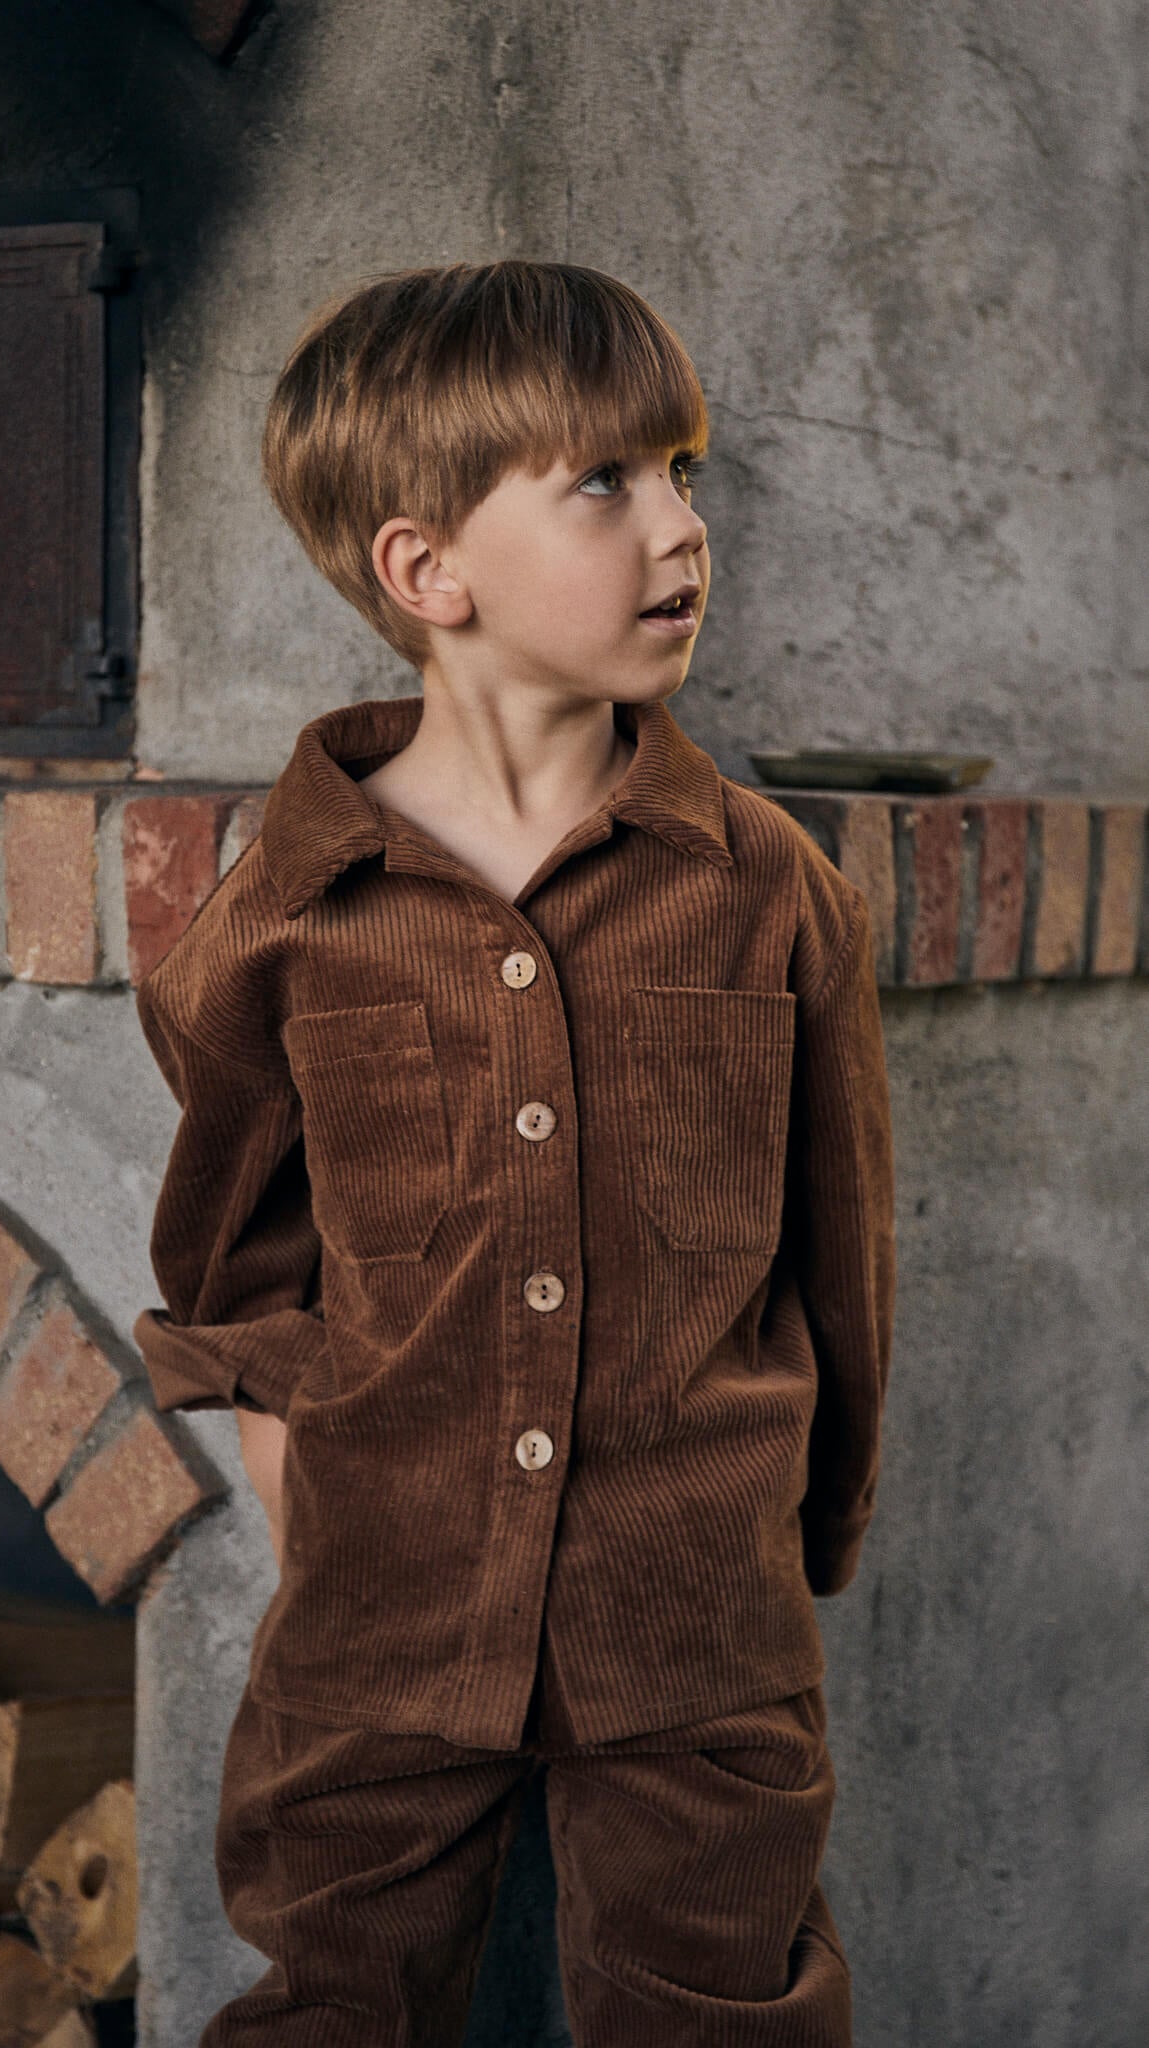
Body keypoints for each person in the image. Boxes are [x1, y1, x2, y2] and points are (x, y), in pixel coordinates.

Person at [132, 259, 897, 2047]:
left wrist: (797, 1550)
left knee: (726, 2014)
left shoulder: (769, 891)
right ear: (426, 571)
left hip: (696, 1623)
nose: (681, 529)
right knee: (330, 2008)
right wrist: (306, 1491)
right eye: (606, 482)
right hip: (378, 1623)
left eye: (685, 471)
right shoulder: (284, 920)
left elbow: (839, 1263)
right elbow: (236, 1256)